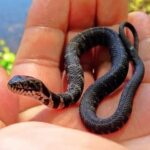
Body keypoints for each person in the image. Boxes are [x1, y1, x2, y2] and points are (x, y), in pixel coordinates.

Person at [0, 0, 149, 149]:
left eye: (22, 86)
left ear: (34, 88)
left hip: (110, 52)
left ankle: (121, 48)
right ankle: (128, 54)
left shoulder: (59, 95)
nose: (16, 87)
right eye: (21, 86)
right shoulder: (65, 96)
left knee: (117, 58)